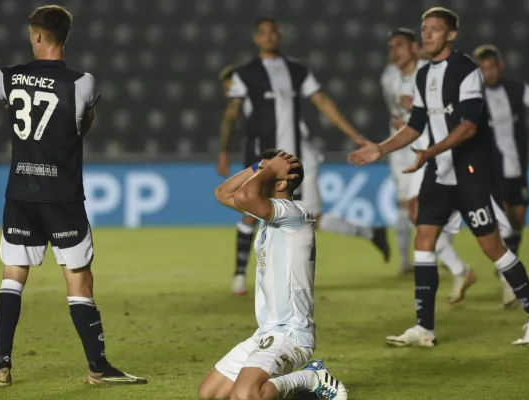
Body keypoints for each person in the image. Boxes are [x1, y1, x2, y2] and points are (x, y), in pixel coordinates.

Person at [0, 5, 146, 385]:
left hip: (20, 194)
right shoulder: (83, 82)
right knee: (79, 279)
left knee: (12, 277)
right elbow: (82, 127)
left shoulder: (9, 77)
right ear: (64, 37)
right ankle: (98, 368)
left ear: (37, 35)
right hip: (62, 196)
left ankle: (1, 366)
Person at [349, 7, 529, 346]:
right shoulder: (424, 76)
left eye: (435, 29)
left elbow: (469, 126)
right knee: (423, 241)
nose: (426, 34)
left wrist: (430, 152)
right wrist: (381, 149)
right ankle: (424, 328)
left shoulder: (467, 71)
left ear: (451, 35)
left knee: (493, 247)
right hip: (439, 173)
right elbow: (415, 125)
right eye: (424, 28)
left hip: (470, 173)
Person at [217, 18, 390, 295]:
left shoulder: (297, 70)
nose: (270, 37)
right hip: (263, 158)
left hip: (298, 159)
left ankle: (293, 275)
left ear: (280, 36)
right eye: (264, 32)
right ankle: (239, 274)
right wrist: (224, 150)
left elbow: (322, 101)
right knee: (253, 211)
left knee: (306, 218)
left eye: (274, 32)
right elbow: (231, 113)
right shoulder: (245, 73)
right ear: (256, 38)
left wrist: (355, 136)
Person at [200, 150, 347, 400]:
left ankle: (311, 377)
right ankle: (288, 380)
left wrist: (268, 170)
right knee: (210, 394)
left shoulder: (294, 214)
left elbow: (246, 195)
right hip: (266, 332)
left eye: (266, 174)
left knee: (245, 396)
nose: (257, 177)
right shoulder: (269, 215)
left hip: (291, 333)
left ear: (280, 184)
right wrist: (260, 166)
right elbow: (222, 193)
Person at [381, 28, 476, 303]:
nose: (394, 52)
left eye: (399, 46)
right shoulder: (395, 79)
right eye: (391, 48)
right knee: (417, 215)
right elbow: (404, 115)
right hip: (415, 151)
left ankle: (477, 270)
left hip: (436, 148)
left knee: (422, 213)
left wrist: (414, 111)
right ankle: (460, 269)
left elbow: (448, 104)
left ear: (414, 47)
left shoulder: (430, 70)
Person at [474, 44, 529, 256]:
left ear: (501, 66)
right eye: (483, 69)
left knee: (519, 216)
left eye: (491, 67)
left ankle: (511, 251)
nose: (488, 73)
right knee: (502, 211)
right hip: (492, 164)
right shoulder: (474, 97)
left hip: (517, 163)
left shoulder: (518, 89)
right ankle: (507, 261)